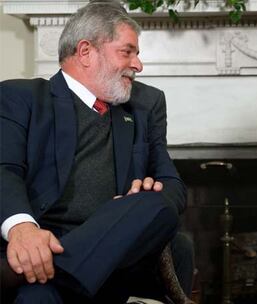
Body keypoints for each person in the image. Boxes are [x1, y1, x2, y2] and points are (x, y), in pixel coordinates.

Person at [0, 1, 191, 303]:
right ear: (86, 52)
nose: (138, 65)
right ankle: (51, 269)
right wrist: (22, 228)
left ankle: (44, 270)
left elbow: (174, 185)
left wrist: (140, 198)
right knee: (37, 298)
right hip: (41, 240)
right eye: (127, 52)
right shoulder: (22, 97)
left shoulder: (144, 105)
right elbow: (3, 169)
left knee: (157, 204)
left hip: (112, 252)